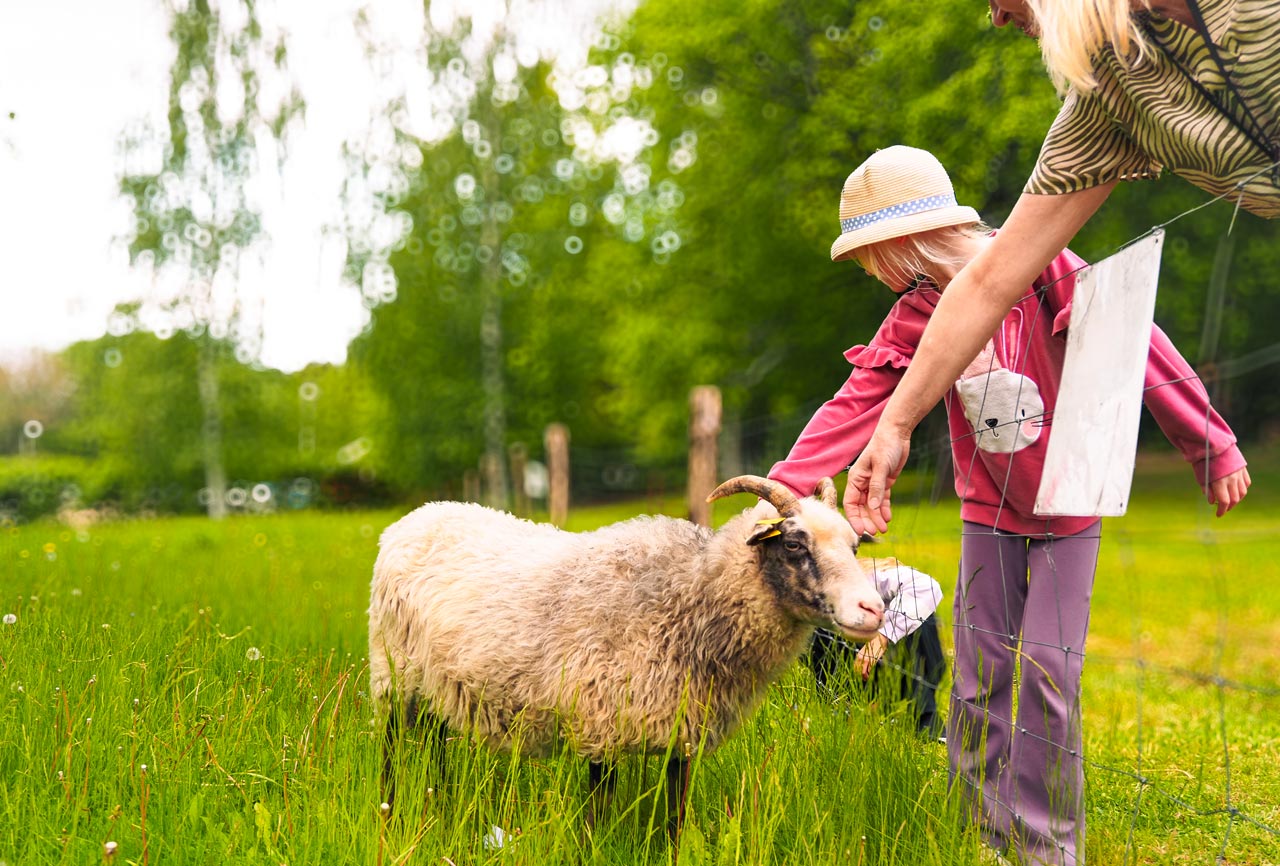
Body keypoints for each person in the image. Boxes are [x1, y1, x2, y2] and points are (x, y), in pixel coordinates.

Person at [766, 144, 1250, 864]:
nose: (872, 274)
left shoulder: (1046, 268)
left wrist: (1212, 446)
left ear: (902, 243)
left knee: (1052, 675)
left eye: (870, 259)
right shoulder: (918, 311)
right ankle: (980, 828)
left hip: (1069, 510)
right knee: (980, 673)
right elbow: (856, 400)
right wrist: (783, 486)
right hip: (986, 514)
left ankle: (1048, 845)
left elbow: (1142, 348)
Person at [843, 0, 1276, 535]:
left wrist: (1210, 440)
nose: (996, 18)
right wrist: (894, 426)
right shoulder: (1104, 103)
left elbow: (1139, 340)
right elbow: (988, 282)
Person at [806, 557, 946, 739]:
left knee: (918, 616)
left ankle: (924, 717)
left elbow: (927, 587)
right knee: (814, 628)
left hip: (916, 667)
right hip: (858, 672)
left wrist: (883, 637)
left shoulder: (869, 578)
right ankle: (843, 711)